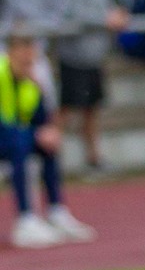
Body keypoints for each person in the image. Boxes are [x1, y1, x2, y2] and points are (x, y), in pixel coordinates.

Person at [2, 30, 84, 248]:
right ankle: (25, 219)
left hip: (11, 139)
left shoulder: (31, 83)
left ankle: (56, 211)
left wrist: (50, 130)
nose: (28, 64)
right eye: (23, 59)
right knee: (19, 142)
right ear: (10, 54)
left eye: (32, 60)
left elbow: (42, 119)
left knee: (46, 145)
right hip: (7, 138)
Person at [53, 0, 128, 174]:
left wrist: (116, 15)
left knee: (91, 110)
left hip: (94, 58)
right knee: (63, 109)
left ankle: (93, 158)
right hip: (72, 57)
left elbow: (107, 8)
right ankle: (48, 158)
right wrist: (104, 19)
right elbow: (69, 14)